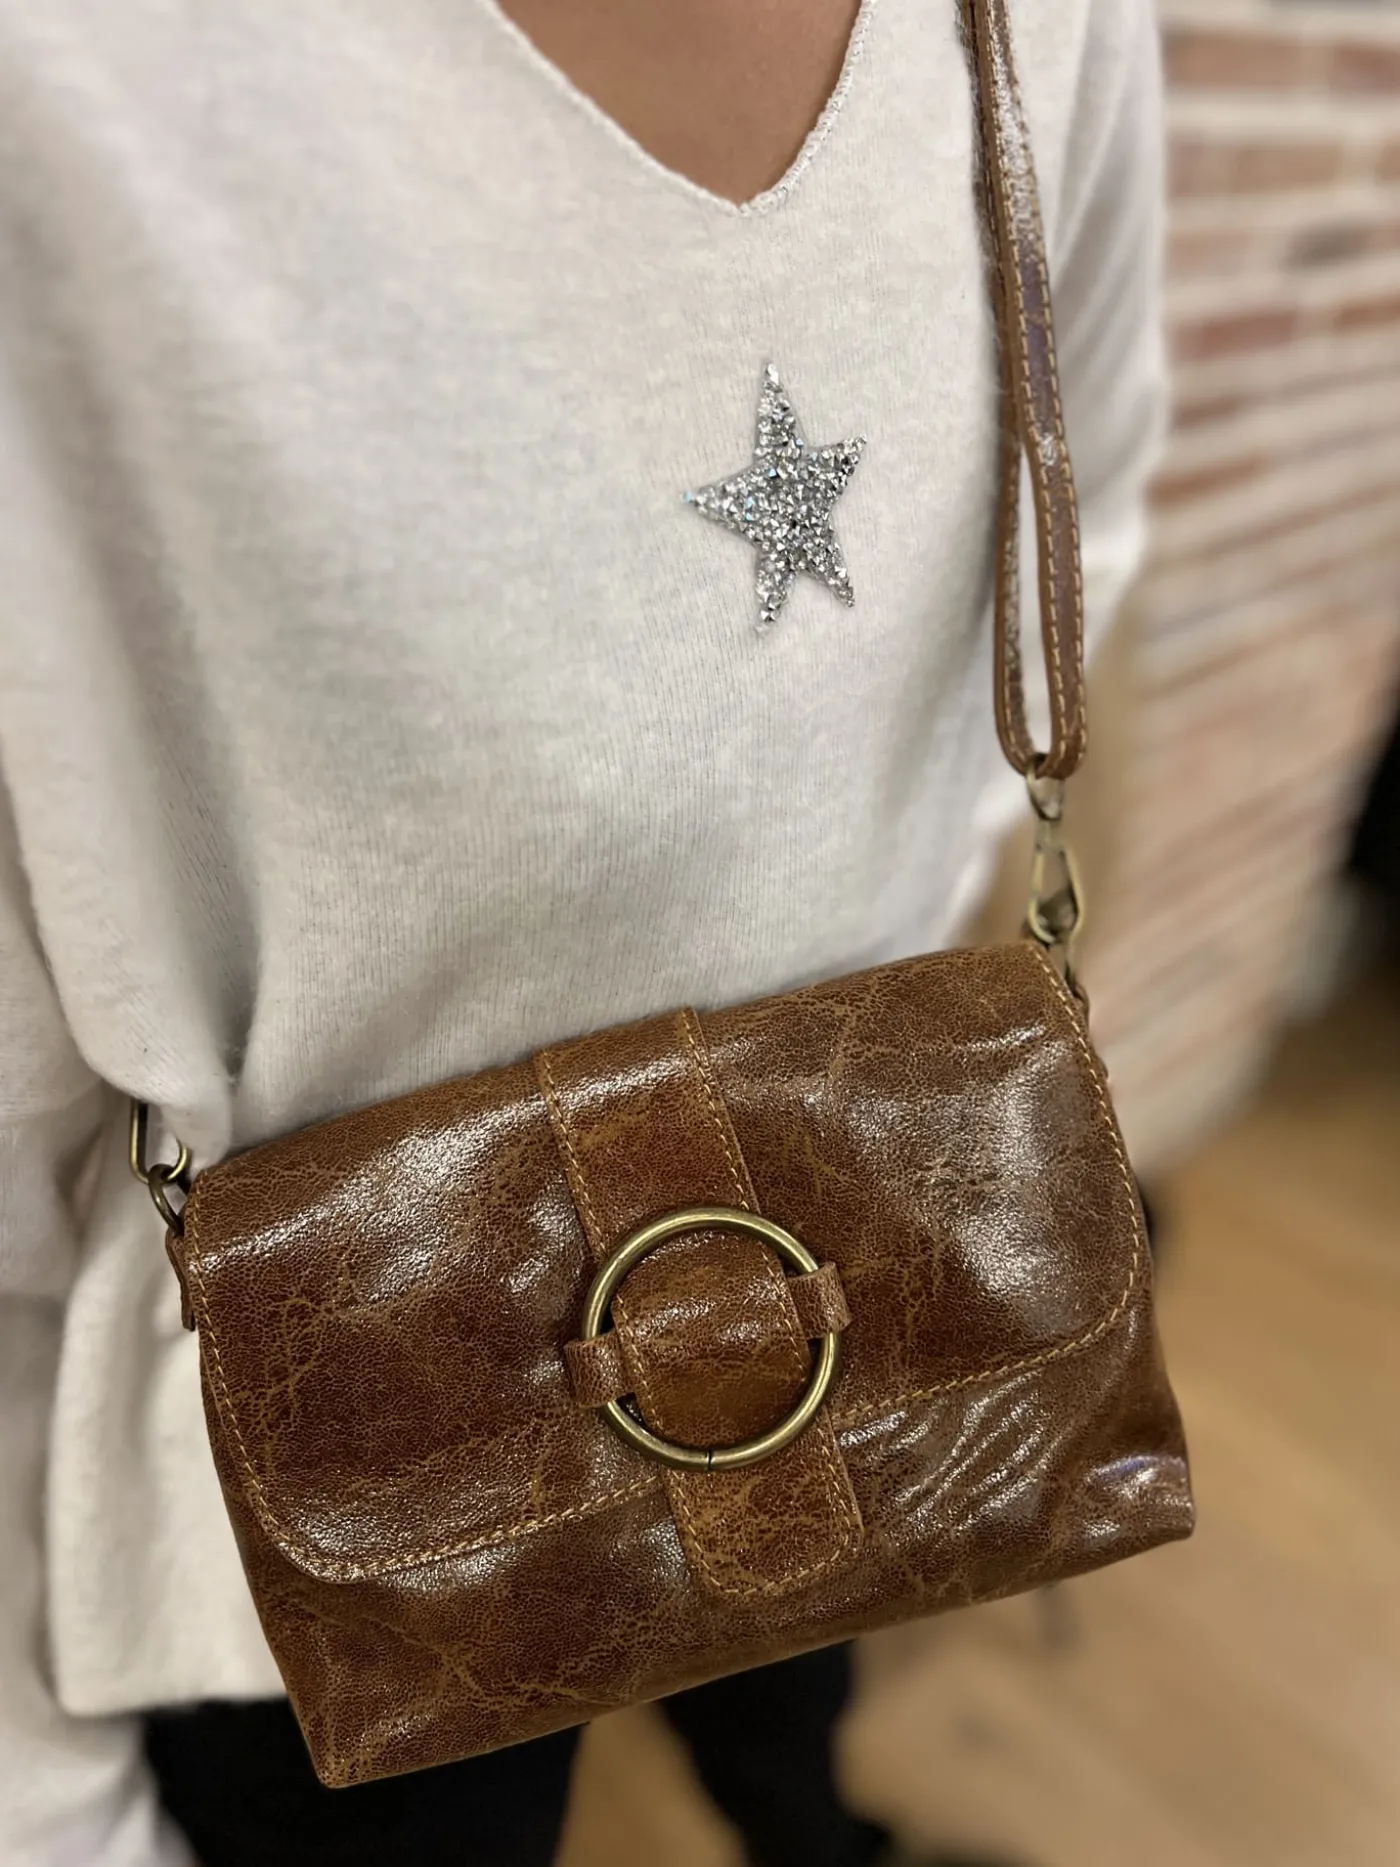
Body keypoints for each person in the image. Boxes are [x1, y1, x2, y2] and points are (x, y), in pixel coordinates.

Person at [0, 0, 1167, 1861]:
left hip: (858, 1241)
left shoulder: (1039, 31)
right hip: (346, 1456)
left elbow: (1074, 514)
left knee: (800, 1697)